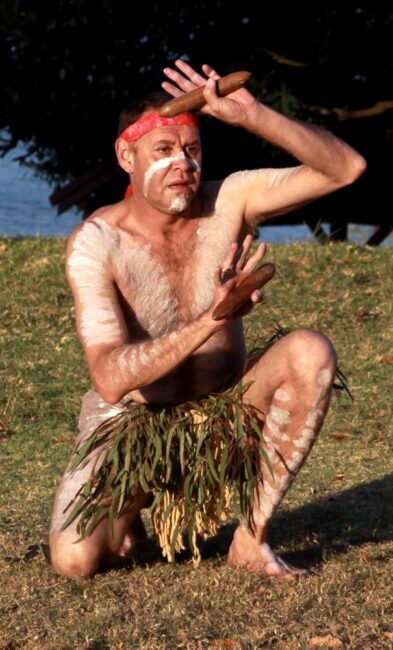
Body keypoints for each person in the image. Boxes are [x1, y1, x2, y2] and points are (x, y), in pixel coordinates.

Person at [49, 59, 366, 580]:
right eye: (164, 150)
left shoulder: (230, 200)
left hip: (225, 416)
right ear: (126, 156)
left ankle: (251, 539)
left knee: (309, 352)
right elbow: (108, 376)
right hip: (134, 425)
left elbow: (345, 169)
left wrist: (253, 116)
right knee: (76, 562)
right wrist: (213, 319)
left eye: (192, 150)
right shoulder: (98, 242)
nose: (183, 164)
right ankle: (131, 511)